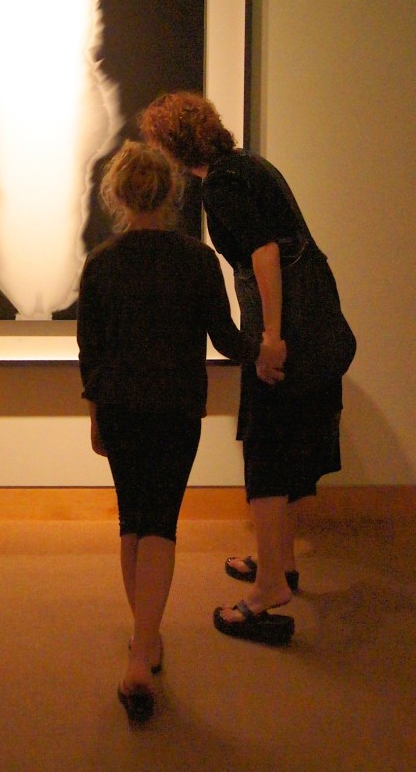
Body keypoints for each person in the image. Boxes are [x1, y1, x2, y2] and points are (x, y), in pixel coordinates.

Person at [76, 140, 281, 723]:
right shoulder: (197, 260)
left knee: (131, 519)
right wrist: (263, 354)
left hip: (119, 408)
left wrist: (95, 415)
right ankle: (143, 649)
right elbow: (224, 337)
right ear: (173, 193)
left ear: (116, 195)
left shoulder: (101, 263)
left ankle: (145, 642)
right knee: (160, 520)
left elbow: (90, 352)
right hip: (174, 410)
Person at [139, 91, 353, 644]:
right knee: (281, 441)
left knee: (262, 443)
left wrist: (273, 338)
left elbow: (264, 255)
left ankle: (269, 591)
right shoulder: (250, 165)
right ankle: (278, 563)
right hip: (314, 318)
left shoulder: (222, 184)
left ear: (173, 144)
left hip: (289, 327)